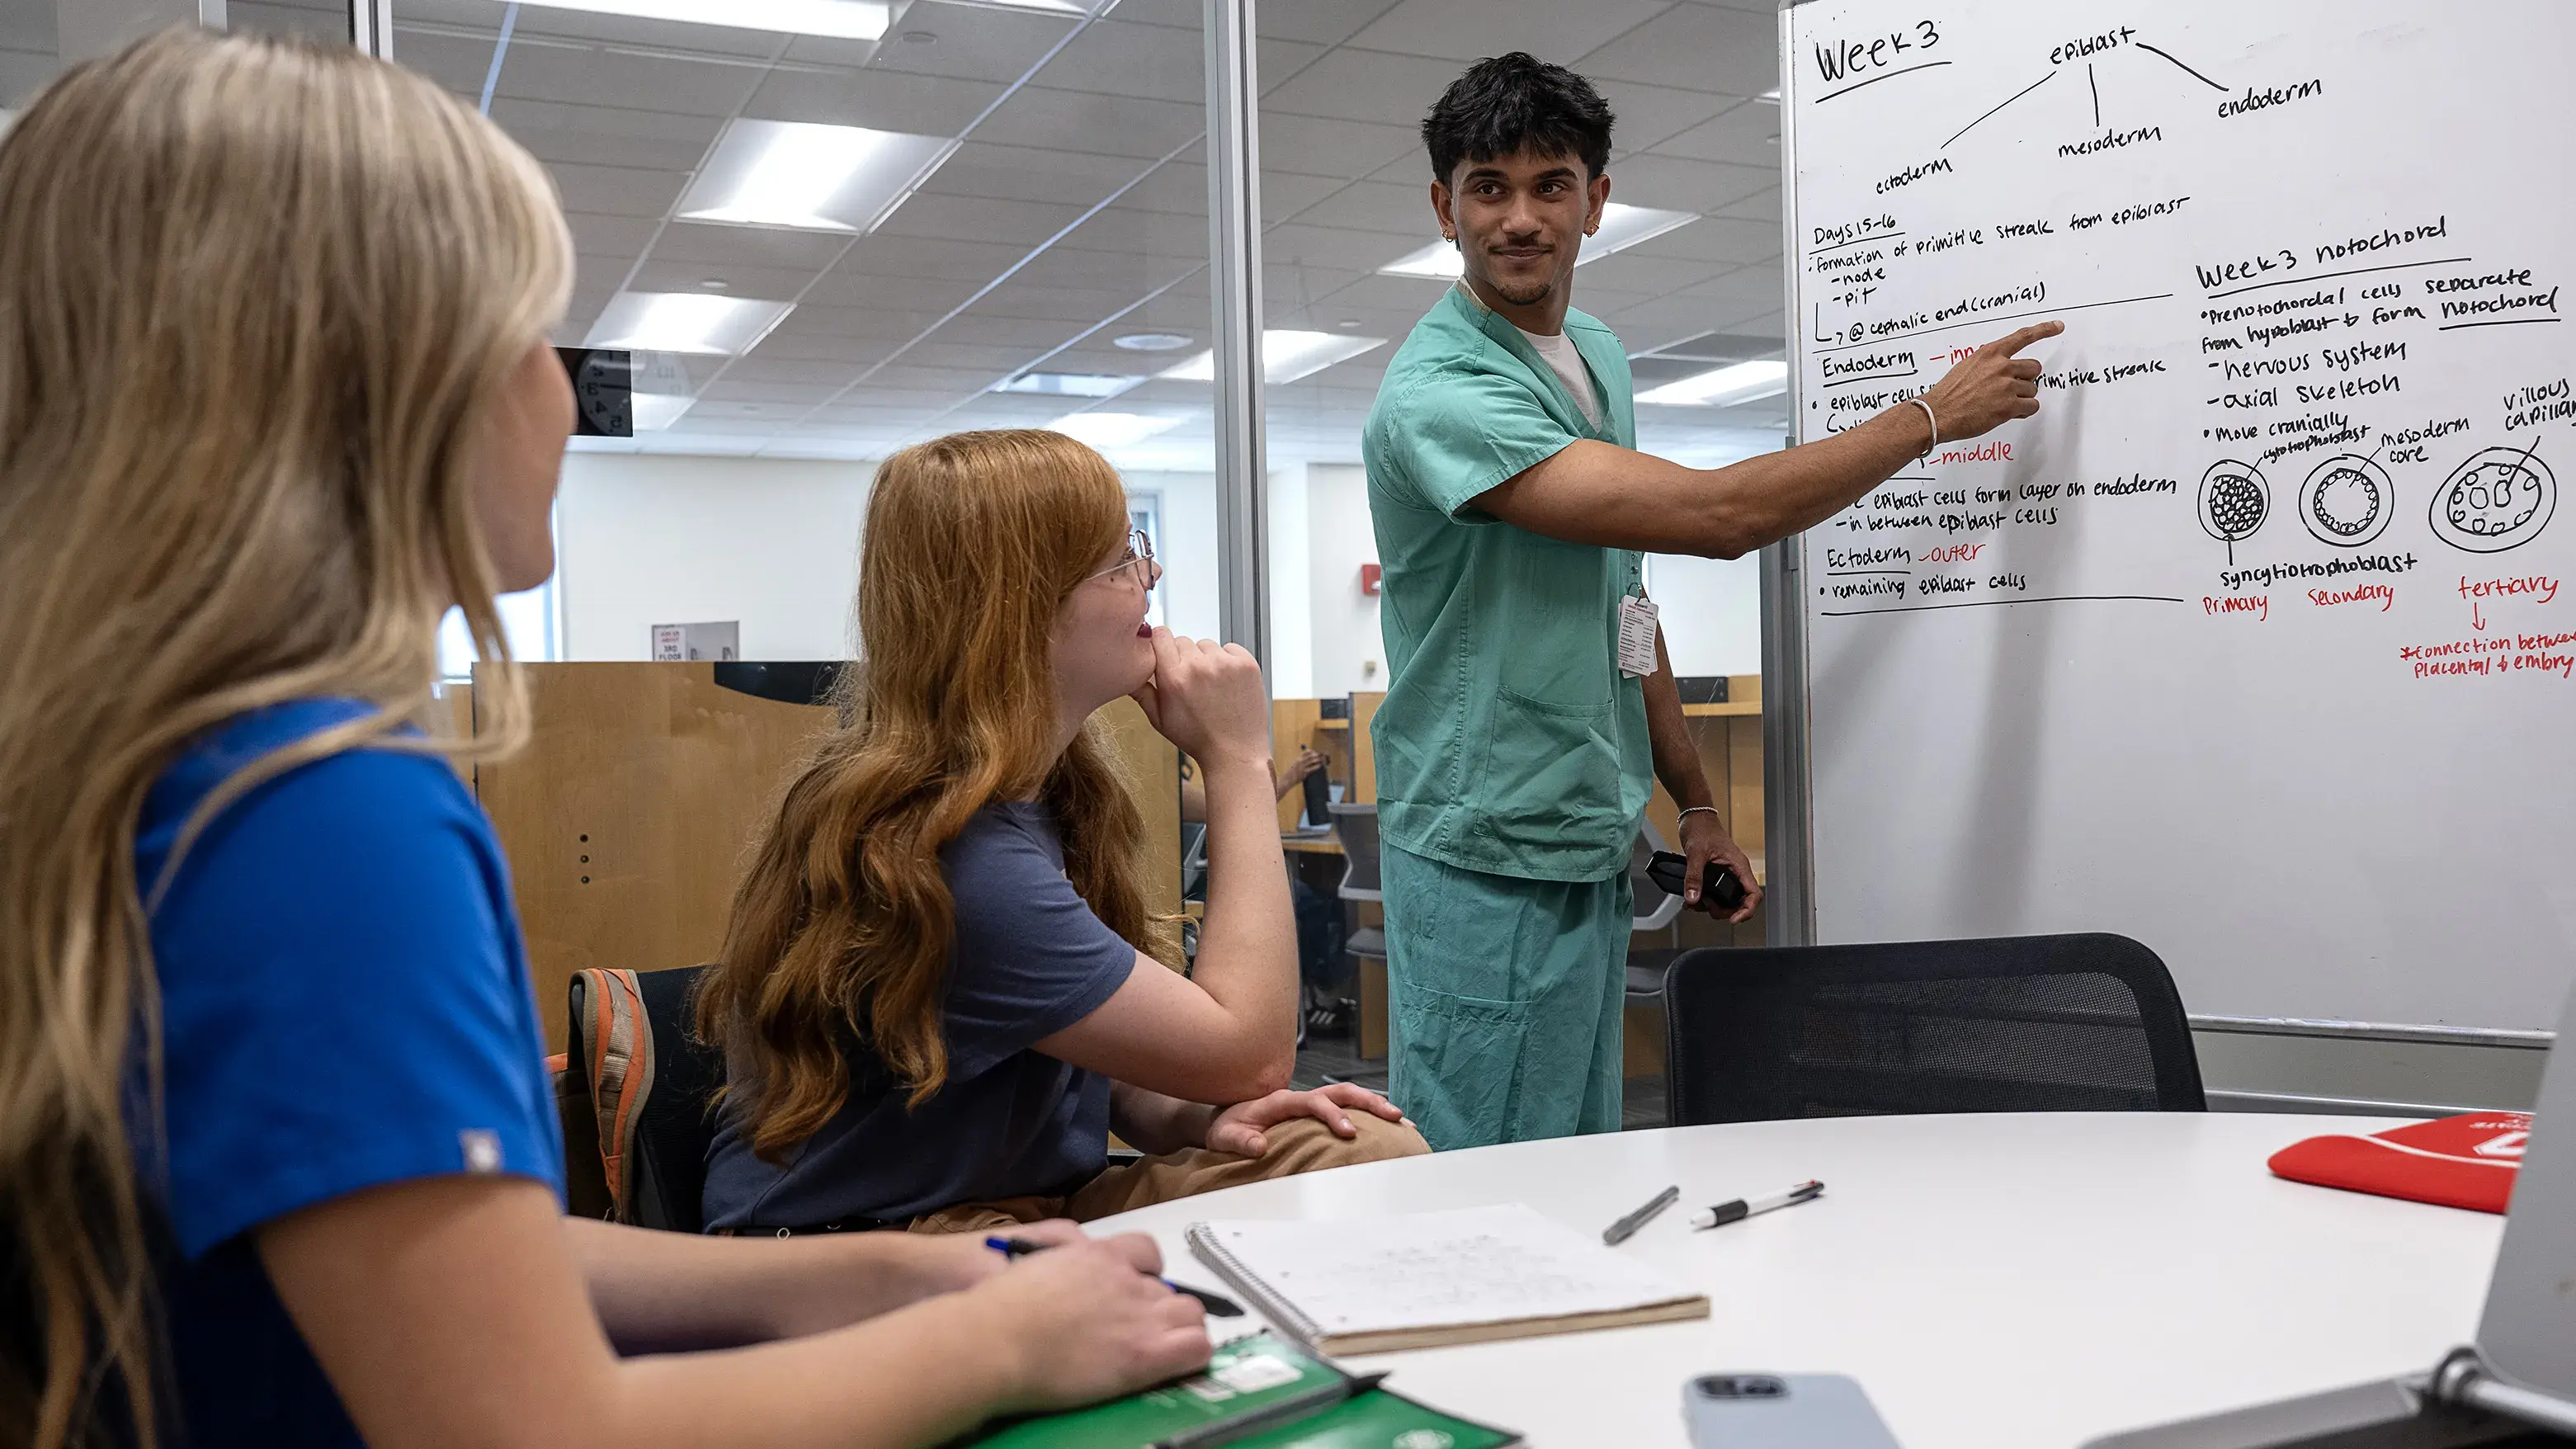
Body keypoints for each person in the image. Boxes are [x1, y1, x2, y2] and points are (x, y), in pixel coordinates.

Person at [0, 32, 1210, 1449]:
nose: (563, 396)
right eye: (529, 334)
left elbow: (433, 1253)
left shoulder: (160, 770)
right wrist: (996, 1343)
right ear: (373, 385)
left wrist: (903, 1273)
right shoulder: (320, 816)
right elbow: (520, 1425)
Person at [1365, 53, 2061, 1149]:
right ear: (1442, 206)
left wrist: (1690, 802)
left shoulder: (1590, 354)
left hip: (1583, 826)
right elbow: (1716, 518)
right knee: (1475, 1161)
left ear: (1595, 202)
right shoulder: (1443, 393)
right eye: (1486, 186)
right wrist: (1927, 417)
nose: (1517, 217)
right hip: (1481, 841)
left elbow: (1621, 596)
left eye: (1550, 184)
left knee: (1575, 1145)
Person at [696, 430, 1427, 1237]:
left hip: (1021, 1203)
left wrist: (1197, 1116)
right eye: (1118, 559)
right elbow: (1250, 1054)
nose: (1148, 574)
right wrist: (1236, 763)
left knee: (1364, 1148)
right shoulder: (957, 856)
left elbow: (1107, 1070)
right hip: (877, 1238)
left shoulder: (1041, 797)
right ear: (1022, 609)